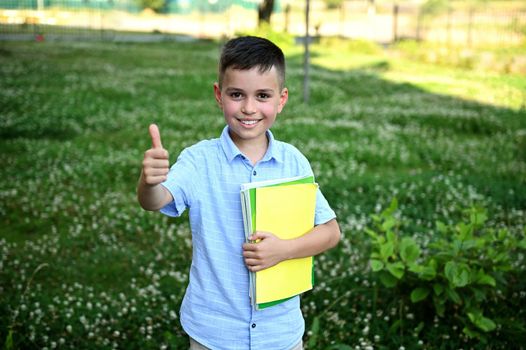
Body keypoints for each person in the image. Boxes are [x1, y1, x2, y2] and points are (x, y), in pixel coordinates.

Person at [137, 36, 340, 350]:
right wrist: (149, 183)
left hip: (280, 334)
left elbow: (330, 232)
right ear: (219, 95)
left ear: (281, 99)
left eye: (262, 95)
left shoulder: (293, 162)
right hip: (213, 333)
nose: (249, 107)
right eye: (236, 94)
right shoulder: (199, 160)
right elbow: (156, 201)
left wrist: (284, 250)